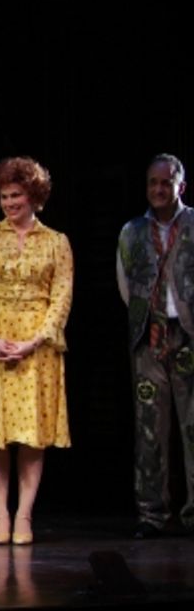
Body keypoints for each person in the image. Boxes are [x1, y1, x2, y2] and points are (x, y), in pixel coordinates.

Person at [0, 157, 73, 546]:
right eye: (4, 196)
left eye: (16, 195)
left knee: (32, 434)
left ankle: (24, 514)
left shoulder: (56, 242)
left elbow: (61, 298)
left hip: (37, 347)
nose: (9, 203)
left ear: (34, 196)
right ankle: (0, 514)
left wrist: (33, 341)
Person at [116, 153, 194, 539]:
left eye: (166, 182)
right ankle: (151, 514)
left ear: (181, 186)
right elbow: (125, 282)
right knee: (150, 429)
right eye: (153, 182)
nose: (159, 189)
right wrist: (147, 319)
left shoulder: (193, 224)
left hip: (189, 335)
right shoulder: (132, 231)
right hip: (149, 338)